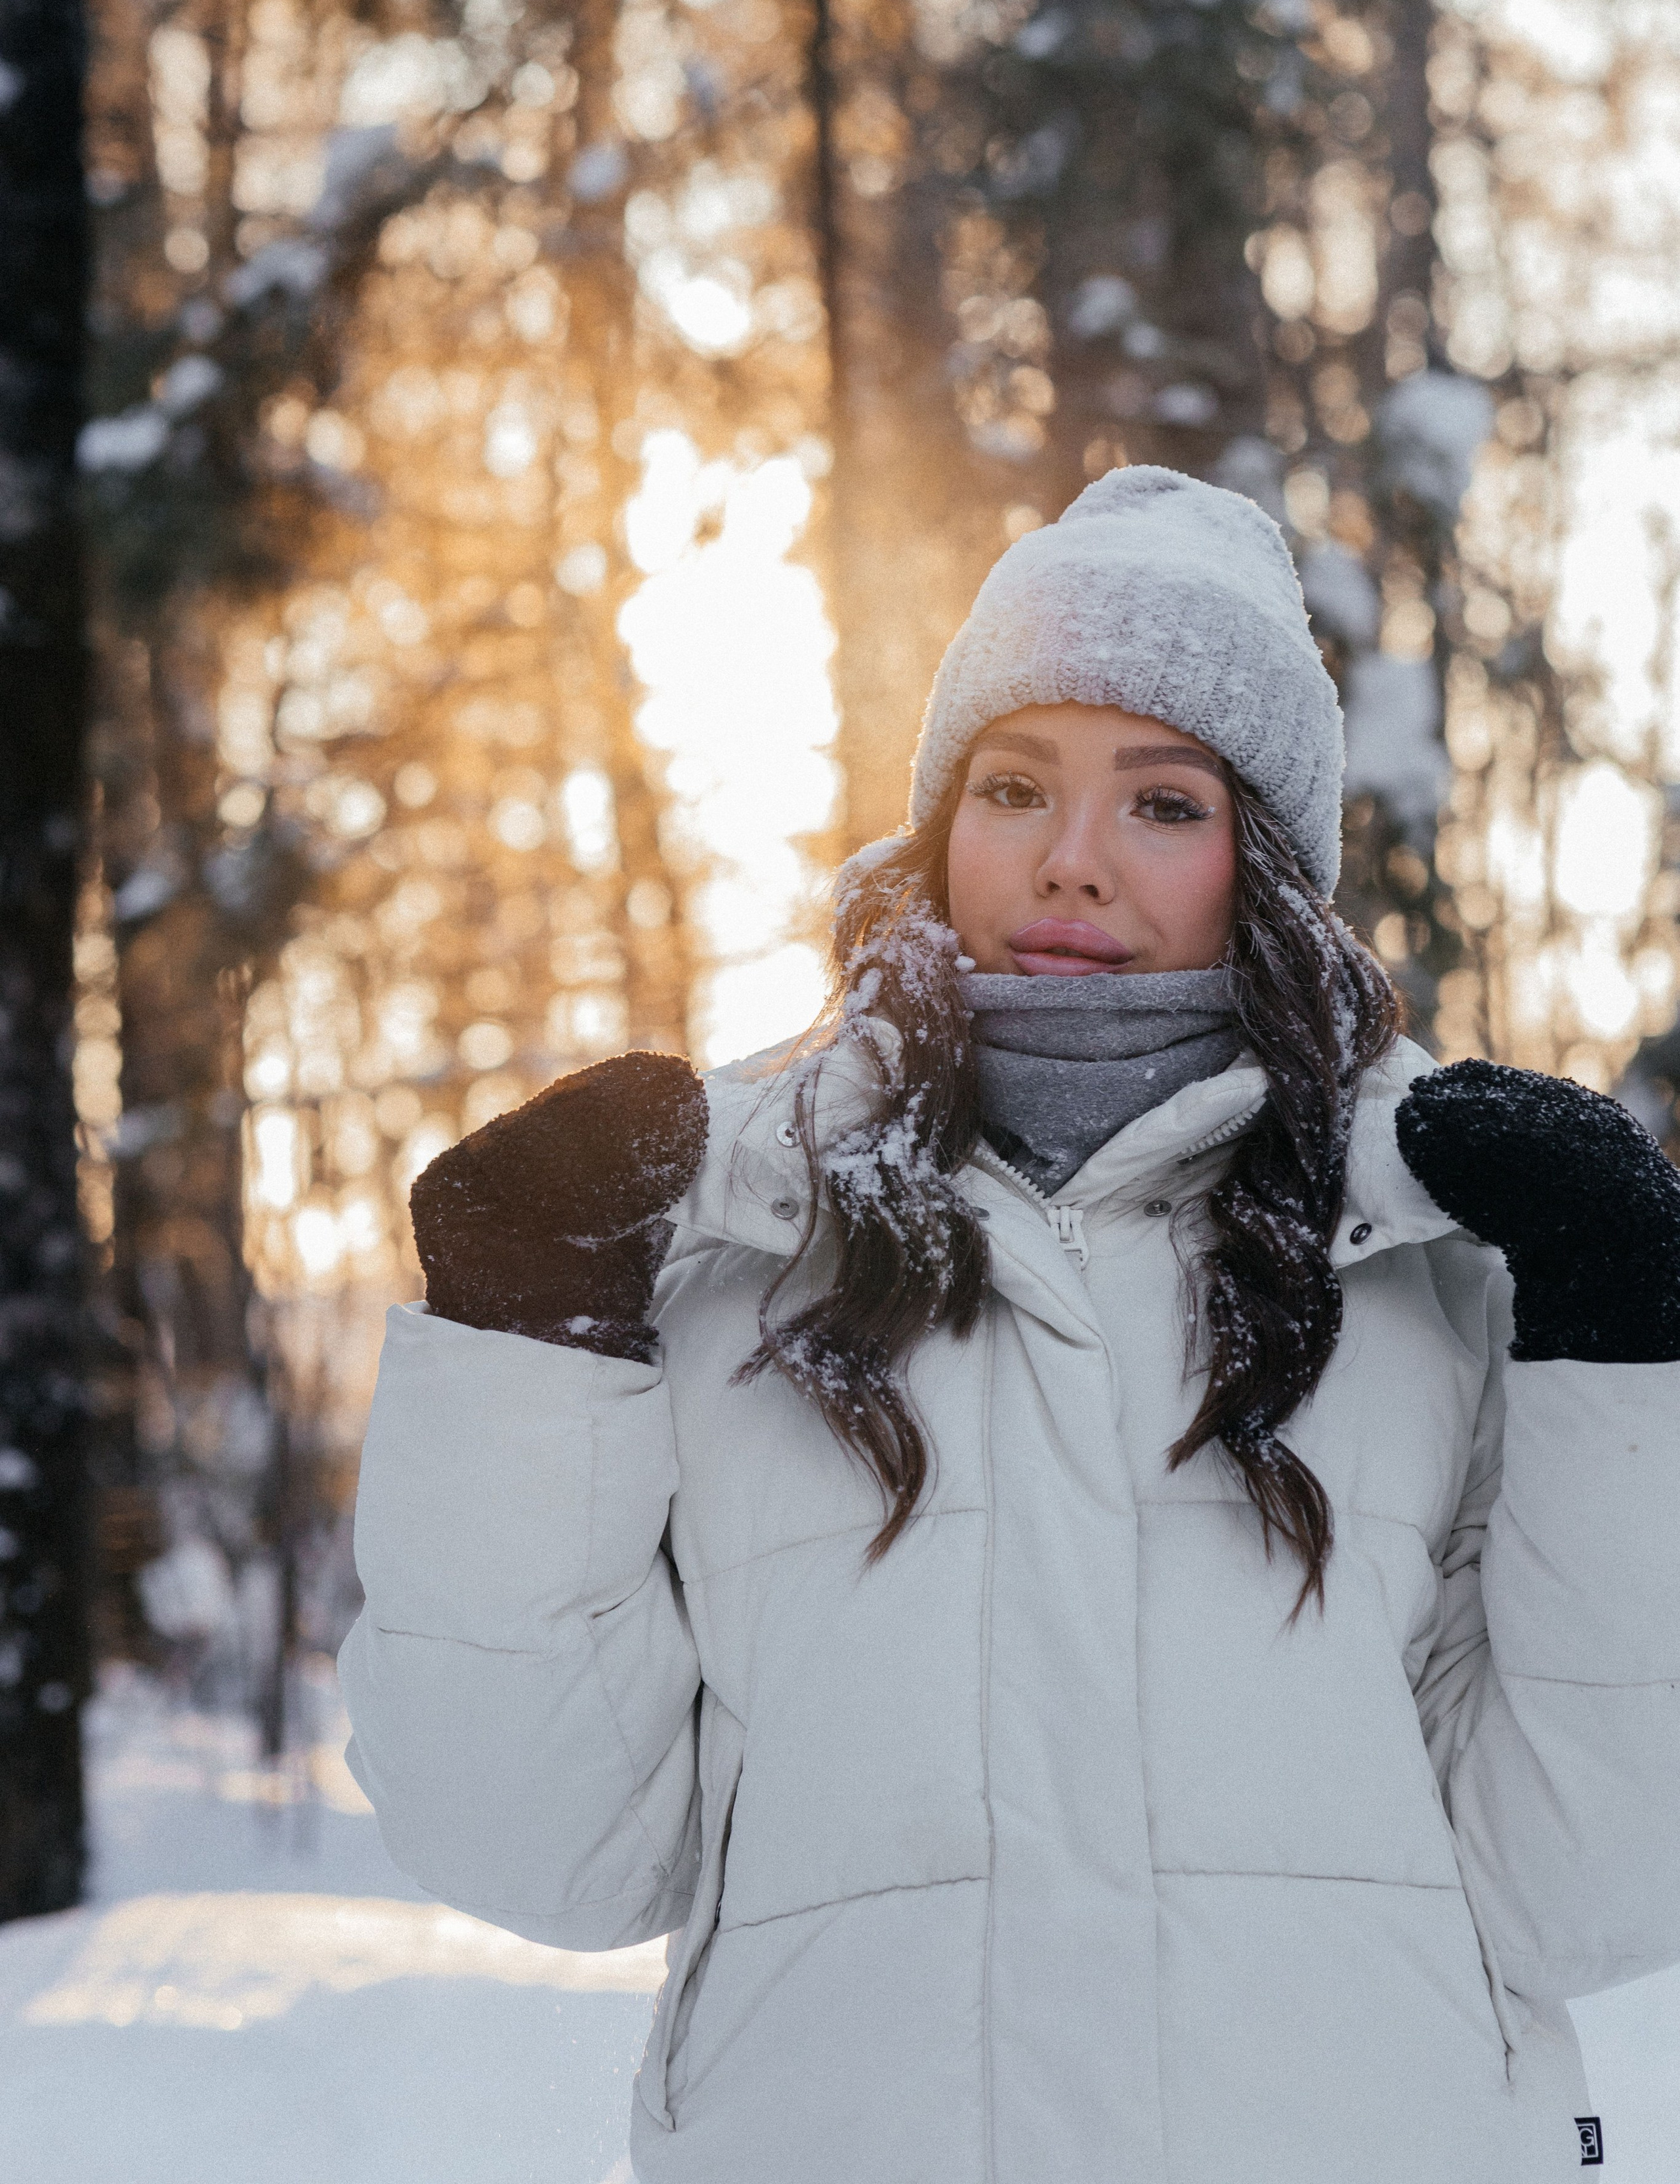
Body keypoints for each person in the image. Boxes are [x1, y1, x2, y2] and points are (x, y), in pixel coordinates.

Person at [340, 465, 1680, 2184]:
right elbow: (545, 1853)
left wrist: (1628, 1352)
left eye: (1164, 804)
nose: (1070, 860)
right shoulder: (742, 1258)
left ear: (1260, 860)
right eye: (1014, 785)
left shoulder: (1439, 1275)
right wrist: (526, 1333)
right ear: (938, 828)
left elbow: (1603, 1881)